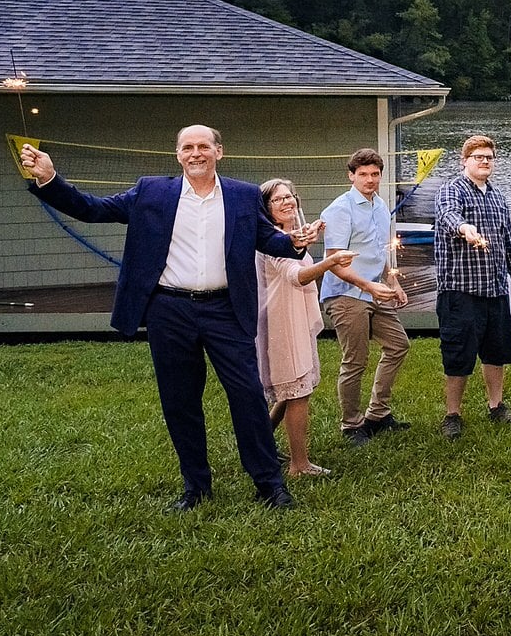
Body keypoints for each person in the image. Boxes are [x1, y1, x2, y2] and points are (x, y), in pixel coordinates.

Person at [20, 127, 311, 510]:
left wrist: (292, 242)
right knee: (179, 401)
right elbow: (93, 209)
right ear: (177, 155)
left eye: (203, 146)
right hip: (169, 311)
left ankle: (269, 484)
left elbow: (265, 239)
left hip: (226, 310)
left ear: (219, 152)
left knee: (248, 396)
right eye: (187, 147)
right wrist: (49, 178)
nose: (196, 153)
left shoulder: (243, 194)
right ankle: (196, 487)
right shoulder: (151, 191)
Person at [257, 179, 357, 477]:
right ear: (266, 208)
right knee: (296, 391)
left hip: (293, 317)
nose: (288, 202)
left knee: (293, 388)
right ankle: (299, 465)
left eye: (291, 196)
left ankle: (259, 443)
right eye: (279, 199)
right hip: (280, 321)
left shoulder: (287, 235)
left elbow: (297, 252)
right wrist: (331, 261)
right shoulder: (270, 239)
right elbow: (297, 275)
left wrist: (308, 237)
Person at [432, 134, 511, 439]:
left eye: (488, 157)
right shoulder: (452, 190)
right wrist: (464, 228)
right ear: (464, 161)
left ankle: (496, 405)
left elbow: (508, 241)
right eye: (478, 157)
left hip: (495, 289)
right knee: (458, 354)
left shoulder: (498, 197)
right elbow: (448, 216)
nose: (484, 162)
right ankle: (452, 414)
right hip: (460, 290)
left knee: (496, 351)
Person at [320, 149, 411, 447]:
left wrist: (392, 282)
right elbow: (334, 260)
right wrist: (369, 288)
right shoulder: (340, 209)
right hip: (346, 294)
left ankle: (378, 414)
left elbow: (381, 250)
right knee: (355, 360)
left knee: (399, 345)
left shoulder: (381, 205)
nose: (370, 180)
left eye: (375, 175)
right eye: (363, 175)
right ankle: (351, 425)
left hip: (375, 290)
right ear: (351, 175)